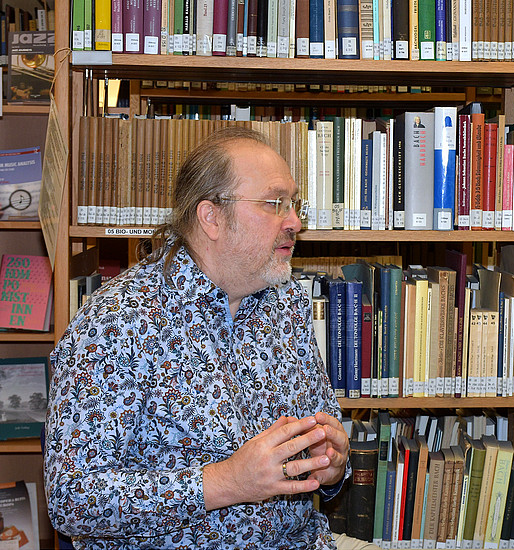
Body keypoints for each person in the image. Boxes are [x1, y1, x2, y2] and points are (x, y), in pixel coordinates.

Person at [44, 127, 367, 549]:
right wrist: (226, 482)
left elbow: (320, 435)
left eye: (294, 204)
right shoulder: (118, 322)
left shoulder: (285, 300)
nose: (295, 222)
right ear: (211, 217)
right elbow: (70, 499)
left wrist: (331, 465)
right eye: (275, 204)